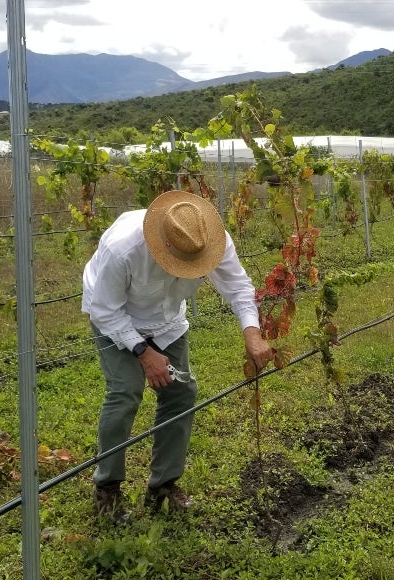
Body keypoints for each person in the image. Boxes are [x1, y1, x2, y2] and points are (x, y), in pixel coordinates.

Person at [81, 190, 273, 522]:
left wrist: (252, 333)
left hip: (168, 322)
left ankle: (163, 486)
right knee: (125, 392)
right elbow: (104, 310)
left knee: (182, 392)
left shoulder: (206, 239)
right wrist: (142, 353)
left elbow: (239, 287)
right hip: (116, 318)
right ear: (163, 247)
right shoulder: (123, 249)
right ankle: (107, 487)